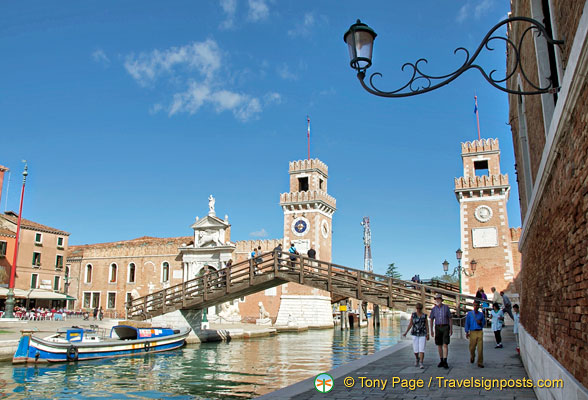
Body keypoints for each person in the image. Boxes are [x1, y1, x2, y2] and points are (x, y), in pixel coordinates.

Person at [402, 303, 429, 369]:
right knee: (415, 349)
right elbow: (411, 324)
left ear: (421, 309)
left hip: (422, 333)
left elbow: (426, 325)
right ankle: (417, 358)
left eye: (419, 309)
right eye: (417, 308)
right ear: (416, 308)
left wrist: (428, 334)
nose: (418, 310)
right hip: (415, 333)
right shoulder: (413, 315)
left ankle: (421, 362)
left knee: (421, 349)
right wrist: (406, 332)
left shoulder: (424, 316)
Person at [429, 293, 452, 369]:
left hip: (445, 326)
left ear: (441, 300)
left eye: (439, 299)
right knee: (439, 344)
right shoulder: (434, 309)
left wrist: (451, 329)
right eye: (437, 299)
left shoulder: (446, 308)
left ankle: (445, 360)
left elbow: (450, 318)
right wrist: (431, 330)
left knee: (445, 344)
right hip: (438, 327)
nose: (438, 300)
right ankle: (441, 360)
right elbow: (431, 319)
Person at [465, 299, 485, 368]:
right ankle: (472, 356)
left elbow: (484, 323)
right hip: (472, 331)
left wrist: (481, 323)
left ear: (479, 306)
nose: (476, 307)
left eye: (477, 305)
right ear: (473, 306)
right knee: (472, 347)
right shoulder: (470, 314)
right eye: (475, 305)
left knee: (480, 348)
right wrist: (467, 331)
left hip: (479, 331)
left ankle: (480, 362)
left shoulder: (481, 314)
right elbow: (467, 323)